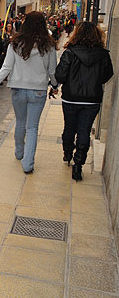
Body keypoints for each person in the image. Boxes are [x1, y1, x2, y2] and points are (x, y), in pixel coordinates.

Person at [0, 12, 58, 174]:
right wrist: (54, 85)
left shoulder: (15, 43)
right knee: (32, 127)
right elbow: (52, 70)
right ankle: (28, 163)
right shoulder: (49, 45)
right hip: (38, 90)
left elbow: (6, 67)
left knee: (20, 122)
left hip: (18, 89)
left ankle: (19, 152)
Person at [55, 22, 113, 181]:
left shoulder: (70, 53)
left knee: (69, 127)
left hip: (71, 98)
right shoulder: (103, 55)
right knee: (84, 131)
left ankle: (67, 152)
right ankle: (78, 164)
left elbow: (60, 75)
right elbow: (108, 75)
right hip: (92, 100)